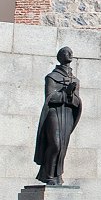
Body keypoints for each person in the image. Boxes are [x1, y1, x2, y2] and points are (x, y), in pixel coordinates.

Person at [34, 47, 82, 185]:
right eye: (67, 52)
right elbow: (49, 97)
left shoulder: (75, 80)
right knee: (55, 144)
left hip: (67, 114)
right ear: (60, 56)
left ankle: (58, 176)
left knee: (63, 146)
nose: (71, 54)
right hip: (54, 113)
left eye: (71, 52)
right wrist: (65, 93)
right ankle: (48, 175)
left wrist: (71, 95)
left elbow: (77, 101)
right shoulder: (51, 77)